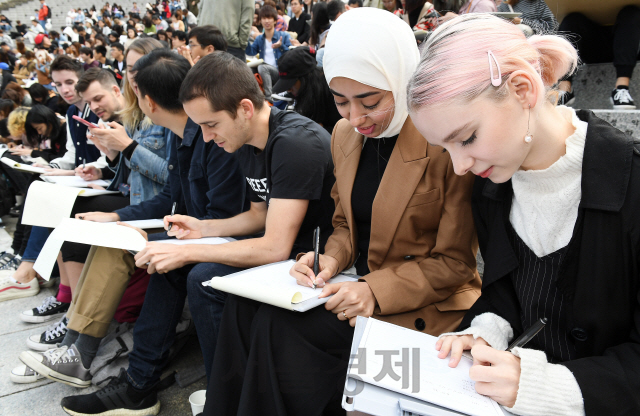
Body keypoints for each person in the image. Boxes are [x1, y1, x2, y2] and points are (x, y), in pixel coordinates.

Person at [205, 8, 480, 415]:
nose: (355, 117)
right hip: (353, 283)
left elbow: (455, 264)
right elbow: (344, 224)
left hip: (420, 299)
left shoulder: (442, 142)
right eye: (341, 102)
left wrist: (373, 289)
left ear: (402, 78)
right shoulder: (344, 135)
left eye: (370, 101)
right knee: (245, 308)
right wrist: (328, 258)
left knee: (283, 327)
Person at [407, 12, 640, 415]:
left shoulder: (631, 183)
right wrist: (482, 335)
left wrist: (543, 386)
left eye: (467, 138)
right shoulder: (491, 184)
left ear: (522, 88)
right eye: (447, 149)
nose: (459, 165)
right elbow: (505, 295)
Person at [56, 49, 247, 414]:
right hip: (201, 229)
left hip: (223, 236)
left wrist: (176, 240)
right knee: (115, 238)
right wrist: (118, 218)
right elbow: (172, 199)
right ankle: (84, 347)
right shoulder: (184, 134)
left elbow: (222, 217)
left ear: (147, 100)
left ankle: (137, 380)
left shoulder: (210, 135)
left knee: (173, 266)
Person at [557, 5, 640, 109]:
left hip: (629, 40)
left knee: (631, 13)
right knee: (571, 20)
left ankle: (621, 89)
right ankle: (565, 90)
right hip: (594, 42)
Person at [272, 46, 341, 132]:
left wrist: (322, 129)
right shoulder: (308, 93)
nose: (288, 90)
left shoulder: (333, 91)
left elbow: (347, 130)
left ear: (305, 79)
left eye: (290, 84)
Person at [246, 5, 291, 101]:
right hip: (264, 72)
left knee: (262, 67)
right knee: (249, 69)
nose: (266, 21)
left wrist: (281, 46)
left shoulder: (283, 36)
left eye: (269, 18)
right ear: (260, 21)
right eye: (264, 18)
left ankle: (268, 98)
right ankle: (255, 97)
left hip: (278, 73)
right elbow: (251, 52)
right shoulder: (259, 39)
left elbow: (290, 55)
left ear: (275, 20)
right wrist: (245, 39)